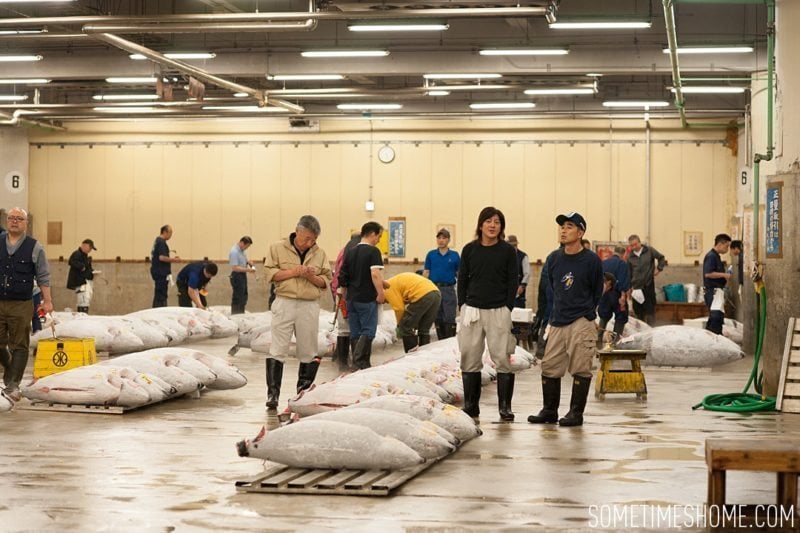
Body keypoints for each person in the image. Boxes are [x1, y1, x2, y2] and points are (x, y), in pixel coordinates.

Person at [528, 212, 603, 427]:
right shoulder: (554, 258)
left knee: (580, 367)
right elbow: (553, 287)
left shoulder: (591, 260)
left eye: (569, 226)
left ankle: (575, 413)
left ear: (580, 232)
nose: (563, 230)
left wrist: (587, 311)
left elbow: (597, 290)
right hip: (558, 319)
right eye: (562, 226)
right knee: (550, 365)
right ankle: (549, 410)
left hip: (581, 319)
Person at [263, 215, 332, 410]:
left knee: (308, 350)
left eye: (314, 239)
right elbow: (270, 274)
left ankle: (303, 392)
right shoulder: (277, 248)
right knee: (278, 348)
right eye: (307, 238)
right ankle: (273, 395)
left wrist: (311, 276)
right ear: (297, 231)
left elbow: (325, 282)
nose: (310, 243)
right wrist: (295, 272)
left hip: (309, 305)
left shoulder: (320, 253)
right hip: (284, 302)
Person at [457, 206, 518, 421]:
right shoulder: (469, 249)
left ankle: (505, 407)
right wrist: (462, 304)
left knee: (502, 357)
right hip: (472, 309)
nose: (492, 225)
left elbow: (513, 280)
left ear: (501, 227)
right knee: (469, 356)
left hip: (499, 309)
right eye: (488, 221)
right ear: (480, 224)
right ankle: (471, 406)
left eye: (497, 222)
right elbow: (463, 278)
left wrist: (508, 306)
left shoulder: (508, 251)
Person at [0, 207, 53, 401]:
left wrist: (47, 301)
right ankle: (9, 370)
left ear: (25, 223)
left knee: (19, 344)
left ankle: (13, 383)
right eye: (11, 218)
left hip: (22, 303)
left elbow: (43, 276)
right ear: (7, 221)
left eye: (19, 219)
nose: (14, 221)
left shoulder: (35, 247)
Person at [337, 221, 385, 371]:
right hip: (367, 297)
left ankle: (360, 364)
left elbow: (342, 275)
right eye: (379, 236)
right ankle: (360, 361)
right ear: (372, 234)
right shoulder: (373, 252)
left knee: (355, 331)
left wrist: (343, 294)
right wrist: (381, 294)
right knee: (368, 331)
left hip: (352, 298)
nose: (378, 240)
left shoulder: (350, 251)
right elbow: (375, 274)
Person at [383, 272, 441, 352]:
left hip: (423, 294)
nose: (385, 303)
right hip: (435, 293)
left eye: (383, 301)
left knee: (406, 326)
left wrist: (400, 326)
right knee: (424, 329)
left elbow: (399, 309)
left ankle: (411, 355)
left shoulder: (387, 288)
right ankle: (424, 355)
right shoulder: (394, 283)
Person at [331, 232, 361, 372]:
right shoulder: (351, 252)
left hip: (341, 291)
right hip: (345, 292)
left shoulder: (344, 250)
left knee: (345, 328)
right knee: (347, 327)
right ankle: (346, 362)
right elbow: (342, 274)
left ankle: (343, 361)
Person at [422, 228, 460, 340]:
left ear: (448, 240)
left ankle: (449, 341)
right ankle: (440, 340)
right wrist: (424, 289)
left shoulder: (454, 255)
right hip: (434, 288)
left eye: (444, 238)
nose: (441, 240)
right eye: (439, 238)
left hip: (448, 289)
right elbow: (426, 272)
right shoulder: (431, 255)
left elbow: (459, 273)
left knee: (449, 316)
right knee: (437, 315)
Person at [627, 234, 666, 326]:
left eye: (635, 244)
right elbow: (629, 272)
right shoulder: (630, 257)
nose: (634, 247)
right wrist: (629, 287)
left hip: (648, 286)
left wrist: (659, 269)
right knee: (638, 313)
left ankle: (651, 331)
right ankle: (641, 333)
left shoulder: (650, 251)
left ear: (640, 242)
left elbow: (661, 258)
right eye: (631, 245)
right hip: (636, 288)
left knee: (650, 312)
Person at [598, 244, 630, 343]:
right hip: (617, 294)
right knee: (620, 317)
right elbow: (623, 282)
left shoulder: (603, 263)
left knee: (603, 316)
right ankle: (615, 342)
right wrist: (623, 296)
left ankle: (597, 340)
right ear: (623, 254)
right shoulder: (622, 264)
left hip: (604, 294)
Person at [703, 233, 732, 335]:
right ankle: (714, 340)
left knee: (717, 318)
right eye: (726, 246)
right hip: (713, 291)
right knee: (715, 318)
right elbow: (708, 274)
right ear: (720, 244)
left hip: (717, 291)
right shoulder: (711, 256)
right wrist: (724, 275)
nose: (727, 249)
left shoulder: (716, 256)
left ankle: (713, 338)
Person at [150, 225, 180, 307]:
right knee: (161, 295)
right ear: (165, 232)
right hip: (161, 273)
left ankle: (158, 309)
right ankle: (160, 310)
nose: (171, 235)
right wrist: (174, 260)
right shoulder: (161, 242)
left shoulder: (157, 241)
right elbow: (162, 257)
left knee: (159, 293)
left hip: (158, 272)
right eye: (170, 233)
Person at [66, 238, 96, 314]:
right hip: (80, 282)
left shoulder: (85, 256)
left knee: (85, 300)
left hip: (85, 282)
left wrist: (92, 271)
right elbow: (71, 261)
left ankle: (83, 316)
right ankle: (82, 317)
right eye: (90, 248)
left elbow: (87, 268)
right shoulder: (77, 254)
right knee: (83, 301)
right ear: (84, 246)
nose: (90, 250)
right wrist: (81, 266)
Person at [229, 236, 254, 315]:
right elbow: (235, 267)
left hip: (242, 275)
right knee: (238, 297)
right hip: (237, 275)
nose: (247, 248)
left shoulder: (242, 251)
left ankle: (241, 314)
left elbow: (244, 261)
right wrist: (248, 270)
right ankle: (236, 314)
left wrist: (249, 262)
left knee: (243, 296)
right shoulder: (234, 252)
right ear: (242, 243)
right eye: (247, 246)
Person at [507, 235, 531, 309]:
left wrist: (522, 286)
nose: (514, 247)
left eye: (515, 245)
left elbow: (527, 273)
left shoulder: (523, 256)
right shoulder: (504, 256)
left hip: (518, 294)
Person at [726, 240, 743, 321]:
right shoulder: (741, 256)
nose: (731, 253)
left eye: (732, 250)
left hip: (742, 283)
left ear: (736, 248)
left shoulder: (742, 256)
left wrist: (741, 283)